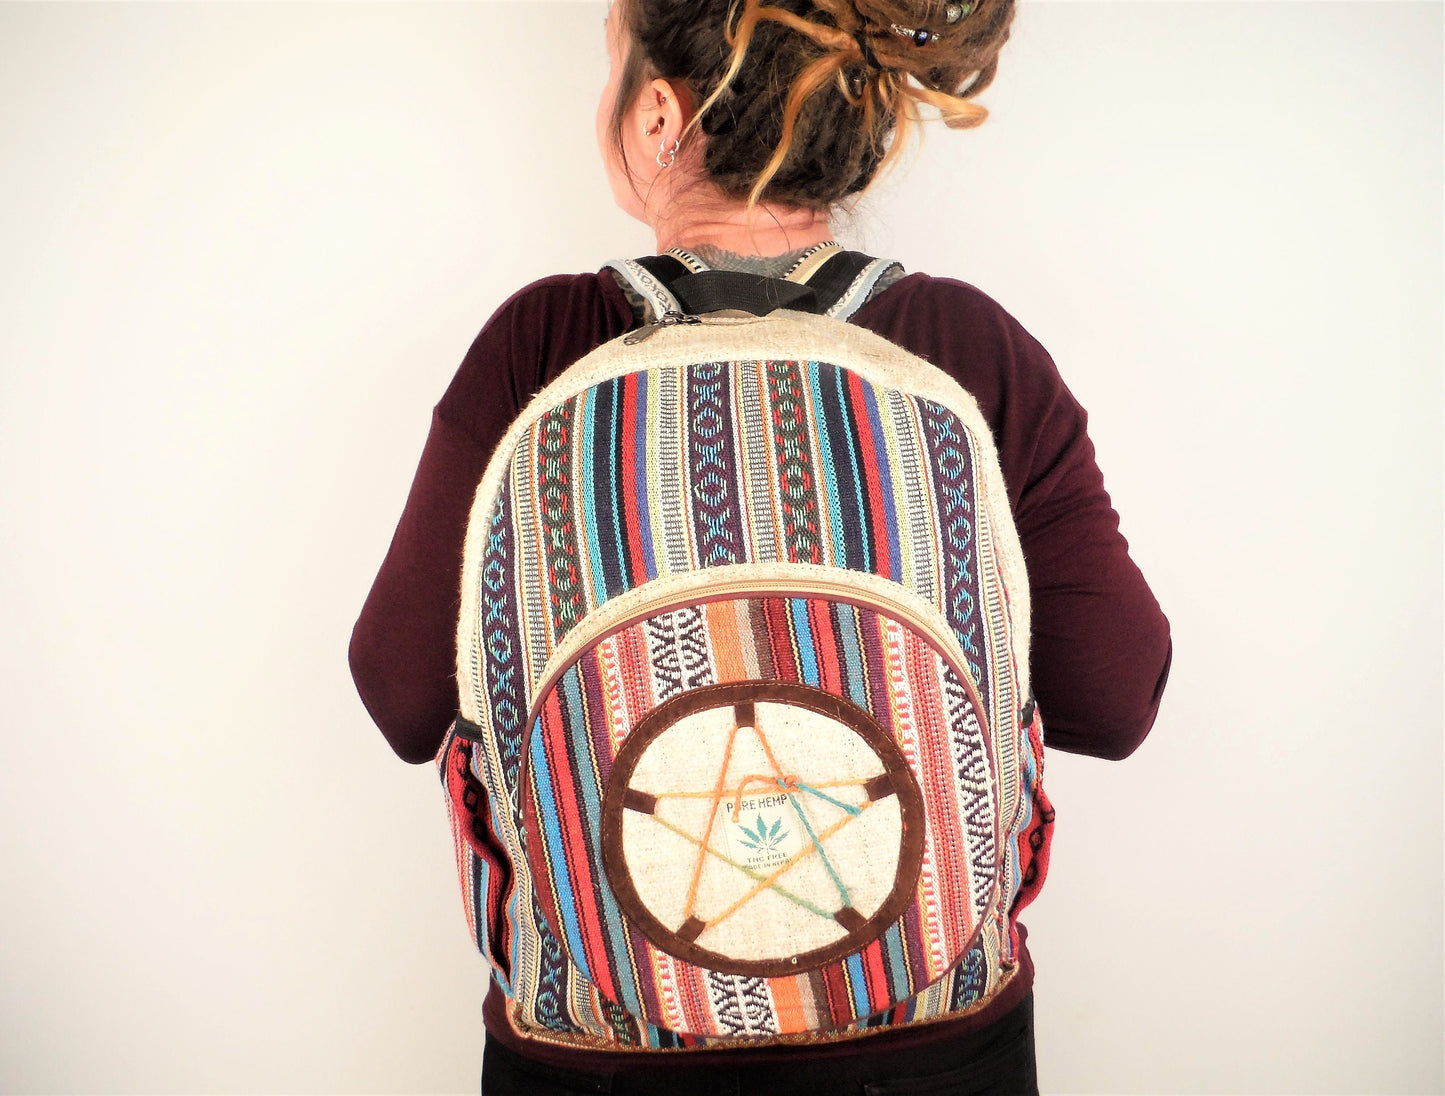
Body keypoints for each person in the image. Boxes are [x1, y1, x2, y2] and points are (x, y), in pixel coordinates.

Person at [350, 0, 1172, 1091]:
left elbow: (401, 693)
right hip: (930, 1054)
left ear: (656, 115)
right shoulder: (968, 346)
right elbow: (1113, 697)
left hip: (600, 1058)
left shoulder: (539, 346)